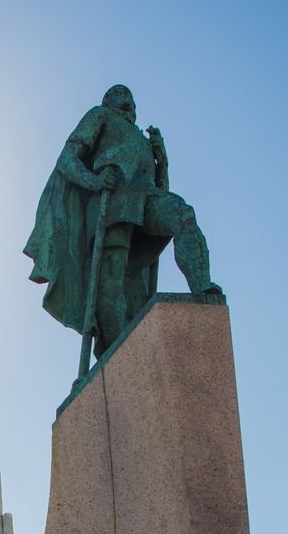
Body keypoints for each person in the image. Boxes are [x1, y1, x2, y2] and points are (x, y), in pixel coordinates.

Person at [24, 84, 222, 359]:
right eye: (120, 94)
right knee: (112, 280)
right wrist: (94, 180)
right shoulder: (100, 116)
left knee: (182, 214)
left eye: (131, 98)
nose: (127, 99)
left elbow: (160, 186)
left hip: (146, 198)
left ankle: (202, 286)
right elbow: (67, 159)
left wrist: (161, 160)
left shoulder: (143, 140)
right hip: (114, 202)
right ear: (108, 100)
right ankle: (122, 355)